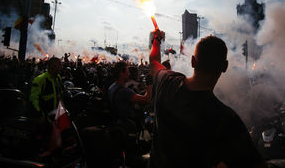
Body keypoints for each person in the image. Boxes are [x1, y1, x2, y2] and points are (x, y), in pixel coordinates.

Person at [149, 31, 266, 168]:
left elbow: (154, 61)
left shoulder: (168, 82)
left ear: (193, 61)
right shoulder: (226, 120)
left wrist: (156, 40)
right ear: (225, 66)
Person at [108, 61, 152, 133]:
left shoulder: (112, 86)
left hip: (118, 120)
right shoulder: (124, 91)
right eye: (128, 71)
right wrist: (149, 84)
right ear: (122, 74)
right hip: (128, 123)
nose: (129, 74)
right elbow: (147, 100)